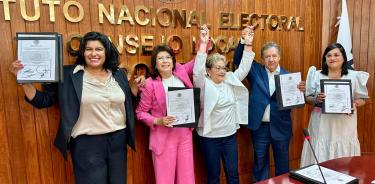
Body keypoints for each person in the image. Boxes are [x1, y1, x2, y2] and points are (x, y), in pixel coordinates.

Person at [9, 32, 139, 184]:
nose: (94, 53)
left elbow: (126, 102)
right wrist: (23, 79)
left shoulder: (118, 74)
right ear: (82, 52)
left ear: (106, 51)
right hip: (87, 144)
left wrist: (134, 88)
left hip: (118, 140)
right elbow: (42, 100)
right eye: (89, 49)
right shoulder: (67, 75)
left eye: (99, 49)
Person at [135, 26, 209, 184]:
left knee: (187, 179)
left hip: (184, 135)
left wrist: (203, 42)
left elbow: (198, 60)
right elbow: (140, 113)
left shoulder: (181, 71)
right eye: (160, 58)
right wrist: (158, 121)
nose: (165, 61)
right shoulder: (149, 84)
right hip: (163, 137)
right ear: (155, 63)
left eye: (168, 57)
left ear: (173, 61)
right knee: (165, 180)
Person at [233, 39, 305, 182]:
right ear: (262, 59)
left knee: (282, 165)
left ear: (279, 57)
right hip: (260, 127)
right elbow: (238, 58)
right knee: (260, 164)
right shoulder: (254, 70)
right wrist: (244, 41)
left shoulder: (289, 77)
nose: (271, 59)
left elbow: (297, 104)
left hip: (281, 128)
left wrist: (300, 92)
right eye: (267, 56)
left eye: (274, 56)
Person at [193, 26, 255, 184]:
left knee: (233, 173)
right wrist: (203, 44)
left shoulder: (230, 78)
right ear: (208, 70)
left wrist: (248, 44)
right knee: (214, 175)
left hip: (229, 136)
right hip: (209, 138)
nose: (222, 71)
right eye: (217, 68)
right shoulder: (203, 83)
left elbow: (244, 68)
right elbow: (197, 71)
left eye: (224, 67)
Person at [300, 43, 369, 167]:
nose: (332, 58)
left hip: (344, 125)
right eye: (329, 55)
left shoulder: (354, 76)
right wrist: (316, 98)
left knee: (343, 165)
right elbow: (308, 98)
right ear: (325, 59)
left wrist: (354, 104)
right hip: (321, 125)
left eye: (336, 55)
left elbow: (363, 98)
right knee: (319, 158)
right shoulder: (316, 75)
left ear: (343, 58)